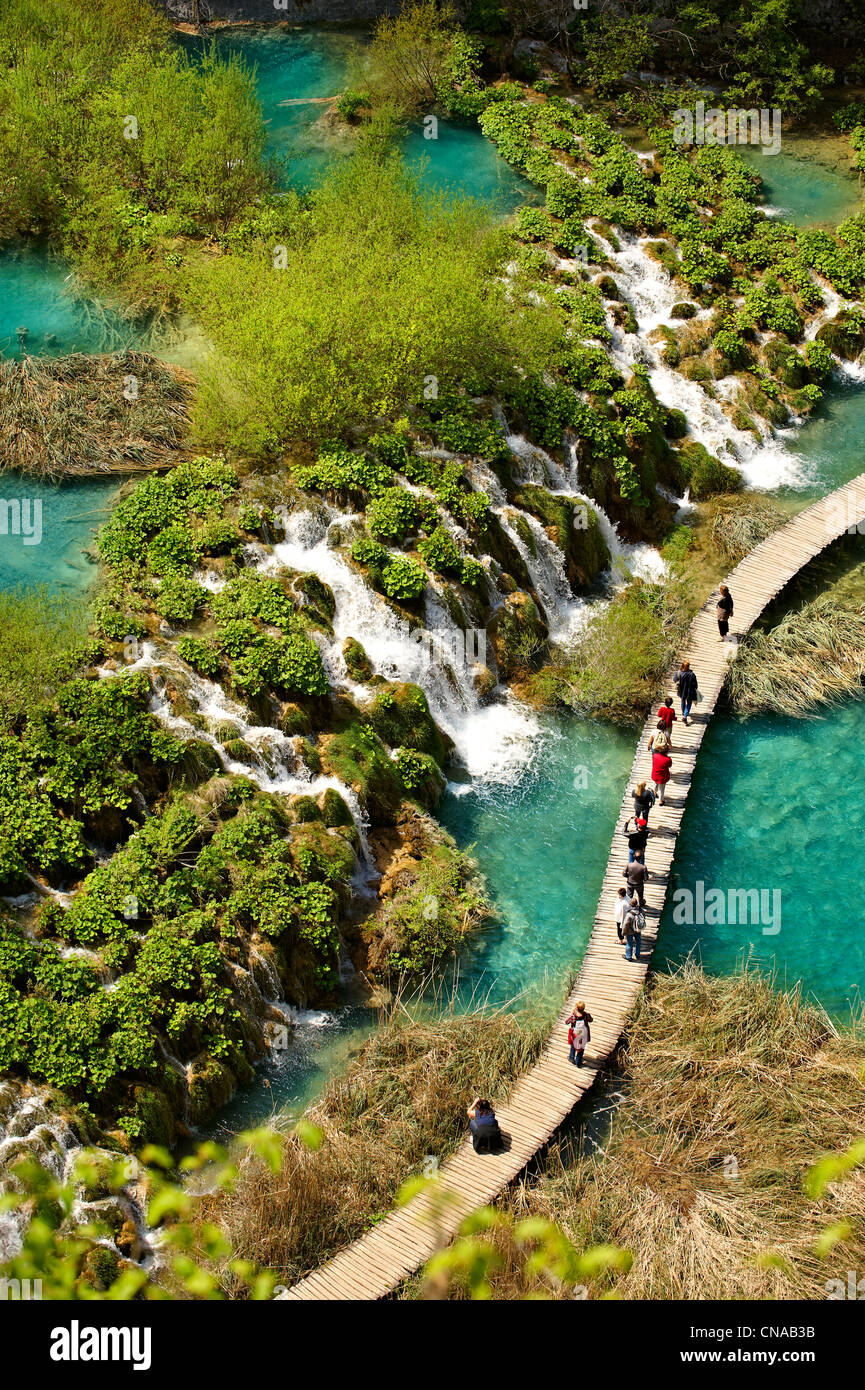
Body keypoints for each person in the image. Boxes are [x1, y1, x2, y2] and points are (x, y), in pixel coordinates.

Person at [566, 1001, 592, 1067]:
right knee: (582, 1047)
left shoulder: (573, 1016)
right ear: (583, 1008)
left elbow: (567, 1022)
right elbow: (591, 1020)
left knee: (573, 1044)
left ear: (576, 1008)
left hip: (575, 1034)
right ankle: (578, 1062)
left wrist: (572, 1013)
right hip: (583, 1033)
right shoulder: (586, 1015)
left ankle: (571, 1058)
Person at [674, 659, 698, 725]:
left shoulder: (679, 673)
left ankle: (683, 712)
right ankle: (685, 716)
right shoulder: (692, 674)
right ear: (688, 666)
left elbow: (675, 680)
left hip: (681, 691)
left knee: (682, 701)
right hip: (690, 691)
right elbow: (695, 684)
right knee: (689, 703)